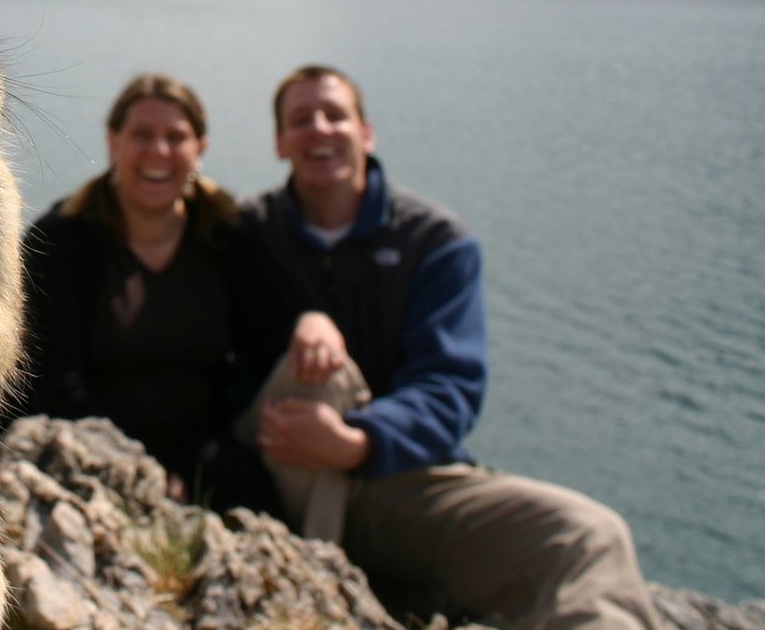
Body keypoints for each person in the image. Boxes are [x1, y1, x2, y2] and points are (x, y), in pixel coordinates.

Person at [237, 64, 662, 630]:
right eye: (300, 120)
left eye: (335, 115)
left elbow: (449, 390)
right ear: (280, 142)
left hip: (393, 485)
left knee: (589, 535)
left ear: (367, 132)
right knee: (316, 373)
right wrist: (308, 322)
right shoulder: (247, 231)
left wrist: (357, 442)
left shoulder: (433, 242)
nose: (319, 129)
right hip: (275, 469)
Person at [15, 73, 276, 504]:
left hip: (206, 446)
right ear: (113, 142)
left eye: (176, 137)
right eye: (142, 135)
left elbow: (262, 350)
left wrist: (313, 323)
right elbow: (50, 381)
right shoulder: (61, 241)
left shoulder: (230, 234)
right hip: (85, 445)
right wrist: (138, 468)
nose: (159, 151)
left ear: (200, 150)